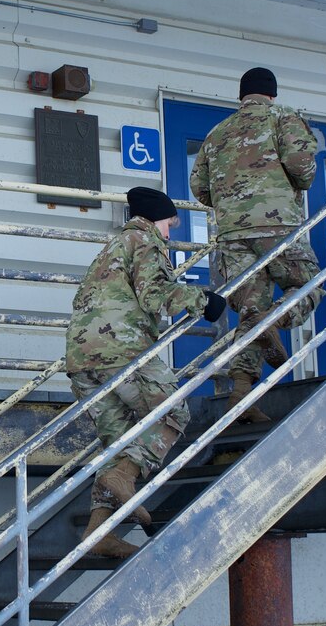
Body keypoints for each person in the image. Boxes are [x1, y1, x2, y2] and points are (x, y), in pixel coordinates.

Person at [66, 187, 227, 559]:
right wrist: (205, 301)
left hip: (81, 358)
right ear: (157, 217)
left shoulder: (113, 247)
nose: (170, 233)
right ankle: (124, 479)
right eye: (170, 224)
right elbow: (156, 295)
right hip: (120, 349)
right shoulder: (146, 240)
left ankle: (99, 532)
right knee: (173, 412)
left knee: (120, 446)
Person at [190, 67, 322, 423]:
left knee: (249, 309)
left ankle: (240, 392)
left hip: (232, 233)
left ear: (241, 95)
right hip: (277, 224)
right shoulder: (284, 118)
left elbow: (199, 186)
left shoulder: (218, 132)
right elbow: (302, 168)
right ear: (272, 94)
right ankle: (275, 321)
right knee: (308, 284)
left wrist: (232, 205)